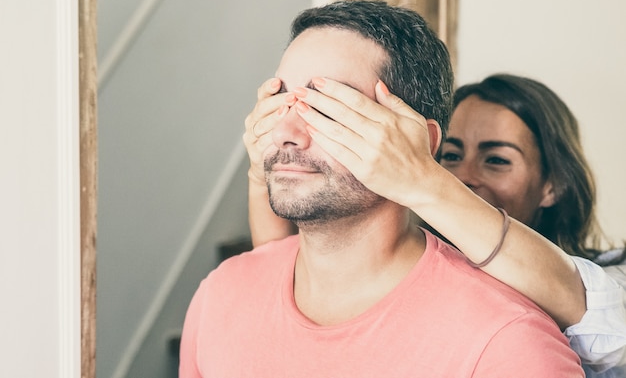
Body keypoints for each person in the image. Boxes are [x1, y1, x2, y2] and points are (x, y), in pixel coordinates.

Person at [179, 0, 583, 377]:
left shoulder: (508, 343)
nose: (285, 133)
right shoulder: (219, 295)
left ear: (417, 142)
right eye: (280, 103)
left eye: (327, 109)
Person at [245, 69, 626, 375]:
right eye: (452, 155)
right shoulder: (410, 270)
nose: (465, 176)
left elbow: (607, 325)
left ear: (552, 186)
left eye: (496, 160)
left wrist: (423, 178)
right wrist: (264, 166)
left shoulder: (615, 273)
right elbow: (277, 268)